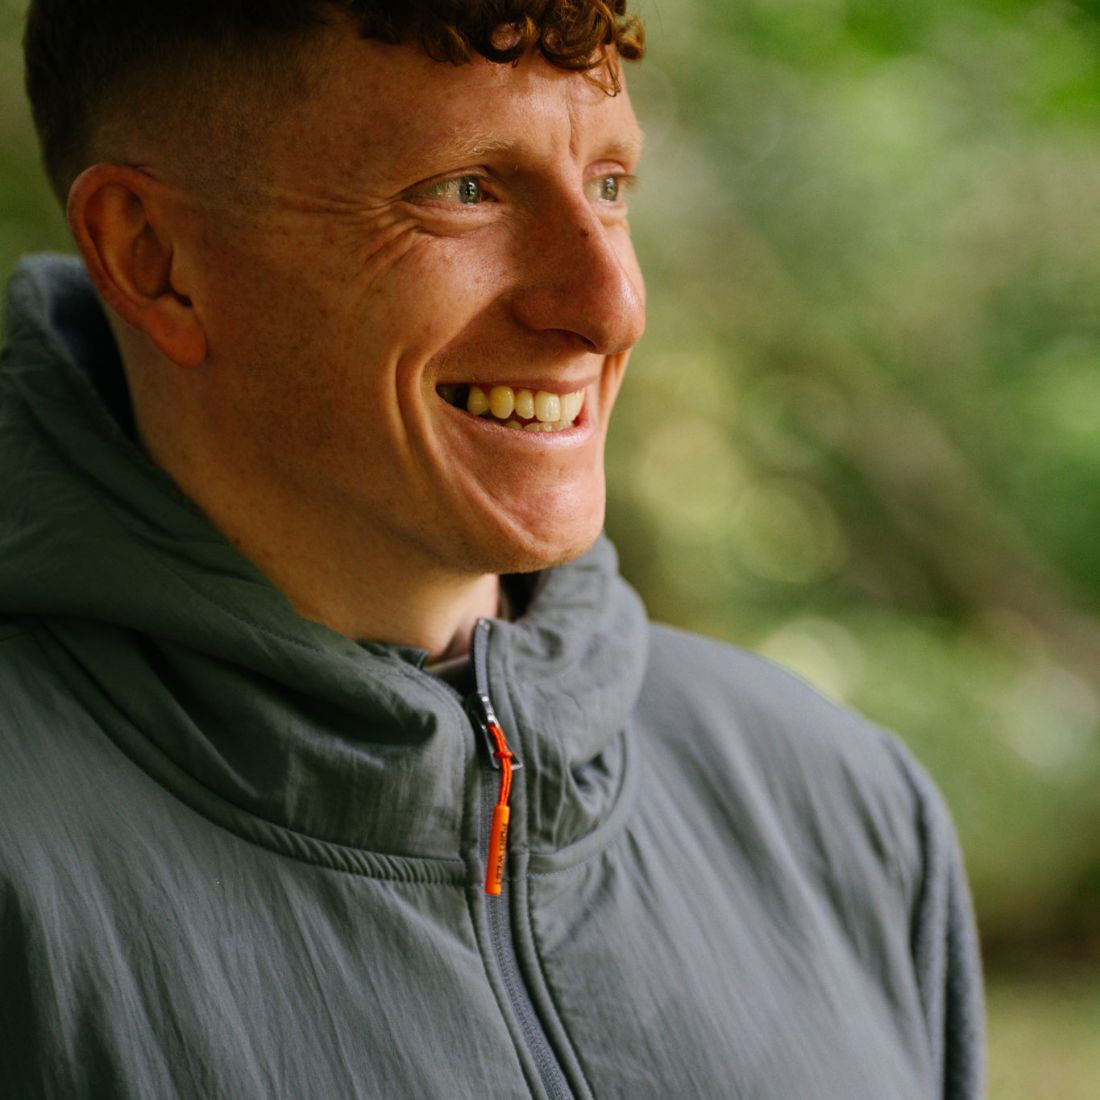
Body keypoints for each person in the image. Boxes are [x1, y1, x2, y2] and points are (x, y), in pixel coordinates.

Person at [0, 2, 983, 1098]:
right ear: (156, 256)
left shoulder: (839, 807)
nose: (607, 304)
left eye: (609, 185)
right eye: (465, 189)